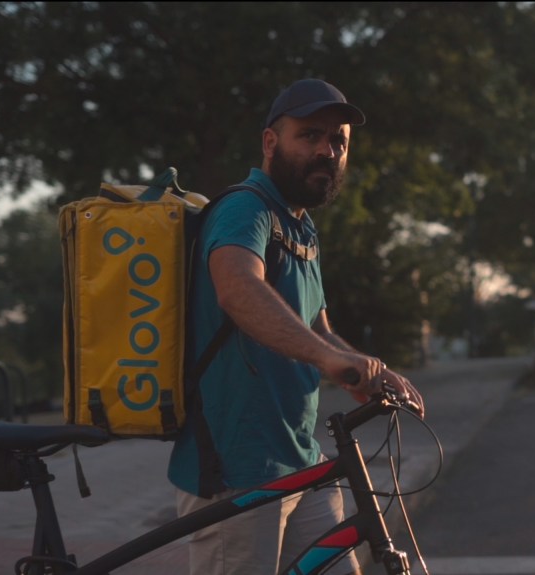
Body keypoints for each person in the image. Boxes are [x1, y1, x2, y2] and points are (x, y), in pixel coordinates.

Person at [167, 78, 425, 575]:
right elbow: (238, 289)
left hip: (301, 458)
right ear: (271, 142)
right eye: (310, 135)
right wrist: (328, 359)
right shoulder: (247, 209)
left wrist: (370, 371)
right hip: (237, 467)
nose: (327, 150)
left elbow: (318, 328)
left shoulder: (300, 225)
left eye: (338, 141)